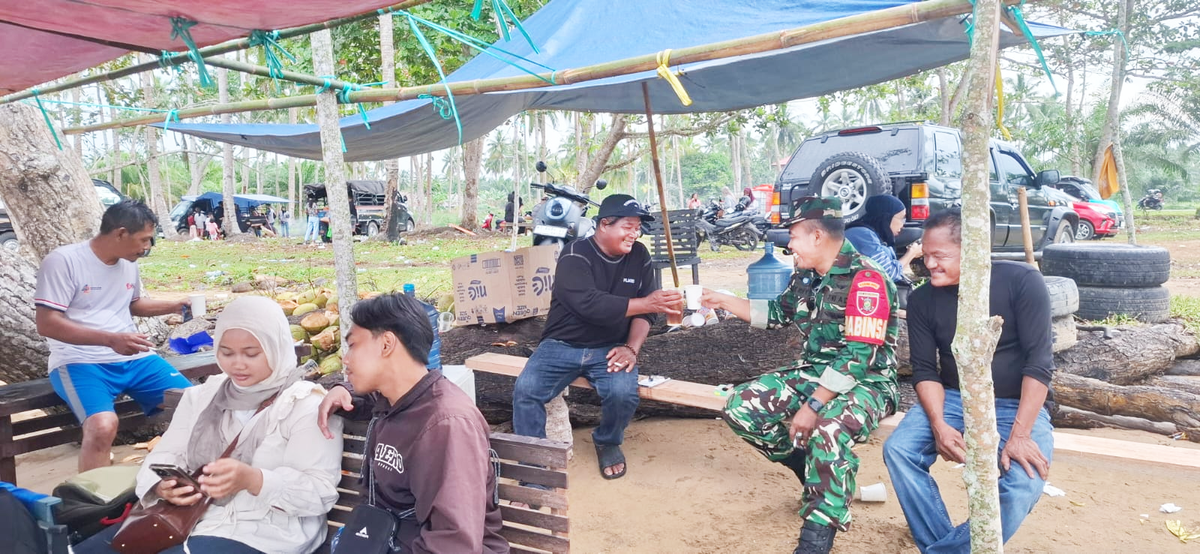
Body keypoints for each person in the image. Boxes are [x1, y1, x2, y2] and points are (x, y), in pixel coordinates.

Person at [701, 196, 899, 554]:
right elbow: (779, 312)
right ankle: (811, 471)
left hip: (870, 381)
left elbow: (859, 358)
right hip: (817, 373)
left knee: (828, 430)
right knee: (741, 407)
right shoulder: (808, 275)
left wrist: (812, 406)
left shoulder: (865, 278)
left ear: (818, 237)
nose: (789, 245)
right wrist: (724, 300)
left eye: (793, 237)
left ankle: (814, 542)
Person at [76, 296, 344, 554]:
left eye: (251, 354)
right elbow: (165, 455)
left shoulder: (304, 404)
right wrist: (162, 486)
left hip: (265, 532)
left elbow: (319, 491)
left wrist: (254, 479)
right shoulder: (204, 396)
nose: (237, 364)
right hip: (189, 517)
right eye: (226, 353)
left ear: (277, 347)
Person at [883, 209, 1054, 554]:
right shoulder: (921, 300)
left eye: (939, 256)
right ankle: (947, 545)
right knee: (899, 450)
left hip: (1015, 405)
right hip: (953, 398)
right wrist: (939, 423)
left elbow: (1039, 364)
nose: (928, 264)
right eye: (925, 254)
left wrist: (1020, 434)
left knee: (1025, 482)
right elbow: (924, 370)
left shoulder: (1021, 280)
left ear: (972, 251)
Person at [317, 294, 509, 553]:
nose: (345, 358)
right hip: (381, 538)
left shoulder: (447, 425)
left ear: (386, 344)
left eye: (352, 345)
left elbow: (453, 542)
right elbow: (371, 398)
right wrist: (345, 392)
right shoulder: (396, 399)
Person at [512, 194, 681, 479]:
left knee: (622, 394)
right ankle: (534, 471)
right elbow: (589, 305)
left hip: (610, 348)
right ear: (604, 224)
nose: (634, 233)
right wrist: (647, 303)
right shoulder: (575, 254)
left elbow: (646, 315)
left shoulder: (639, 255)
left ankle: (607, 440)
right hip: (560, 345)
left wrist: (631, 348)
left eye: (637, 227)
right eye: (628, 226)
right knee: (526, 392)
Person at [34, 200, 195, 473]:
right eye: (144, 239)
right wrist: (110, 339)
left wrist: (176, 304)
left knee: (194, 406)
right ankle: (94, 506)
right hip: (79, 362)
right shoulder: (64, 261)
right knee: (102, 427)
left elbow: (131, 304)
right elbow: (47, 324)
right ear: (120, 233)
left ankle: (184, 480)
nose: (147, 247)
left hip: (135, 358)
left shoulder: (127, 262)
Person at [844, 195, 923, 284]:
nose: (902, 224)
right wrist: (911, 253)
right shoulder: (863, 235)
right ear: (886, 217)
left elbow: (897, 272)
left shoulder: (870, 234)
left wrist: (912, 253)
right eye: (901, 219)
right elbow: (889, 274)